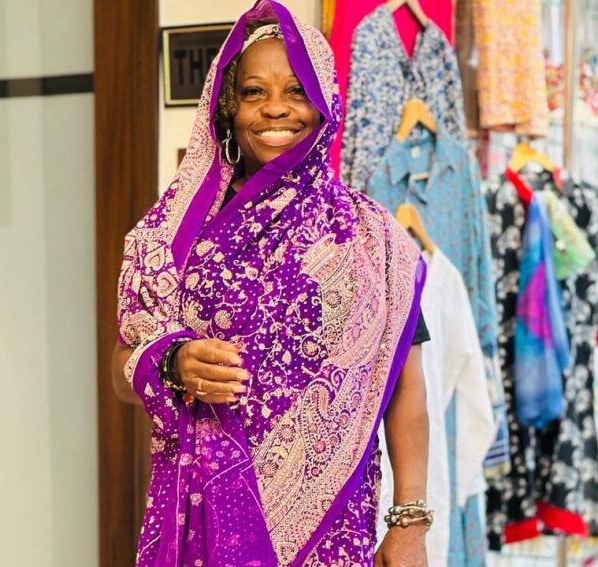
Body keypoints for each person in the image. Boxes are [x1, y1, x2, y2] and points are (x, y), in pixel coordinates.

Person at [111, 1, 431, 564]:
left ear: (325, 101)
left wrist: (410, 523)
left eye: (296, 90)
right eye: (254, 92)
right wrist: (171, 361)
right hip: (203, 524)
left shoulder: (371, 241)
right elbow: (119, 370)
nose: (275, 111)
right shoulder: (172, 238)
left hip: (332, 530)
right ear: (228, 108)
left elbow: (406, 388)